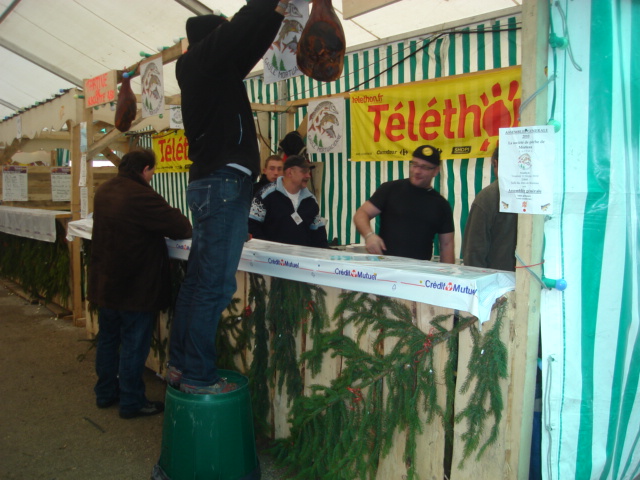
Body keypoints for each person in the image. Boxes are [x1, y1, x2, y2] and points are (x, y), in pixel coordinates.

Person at [168, 0, 290, 395]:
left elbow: (249, 43)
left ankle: (180, 365)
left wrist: (277, 13)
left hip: (214, 184)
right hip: (223, 183)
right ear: (210, 39)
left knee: (198, 282)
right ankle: (197, 377)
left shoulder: (213, 73)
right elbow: (240, 30)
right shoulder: (200, 61)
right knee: (214, 286)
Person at [89, 149, 192, 419]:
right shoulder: (141, 195)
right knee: (134, 344)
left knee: (108, 340)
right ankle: (132, 401)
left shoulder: (104, 190)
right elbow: (181, 227)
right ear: (145, 169)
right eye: (152, 172)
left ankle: (105, 393)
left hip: (105, 283)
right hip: (134, 286)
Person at [353, 145, 455, 262]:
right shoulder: (390, 189)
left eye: (424, 167)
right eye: (414, 164)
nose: (417, 171)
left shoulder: (441, 205)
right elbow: (362, 213)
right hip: (384, 266)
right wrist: (369, 235)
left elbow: (447, 245)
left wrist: (448, 271)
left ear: (436, 171)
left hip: (418, 270)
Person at [249, 155, 328, 248]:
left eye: (308, 172)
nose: (308, 176)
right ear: (290, 172)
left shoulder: (311, 200)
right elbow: (252, 225)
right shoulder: (265, 194)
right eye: (304, 171)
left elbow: (318, 234)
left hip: (302, 256)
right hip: (270, 255)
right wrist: (267, 249)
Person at [461, 146, 517, 270]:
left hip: (496, 279)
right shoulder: (536, 197)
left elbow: (473, 252)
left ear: (495, 163)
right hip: (530, 277)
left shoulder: (487, 198)